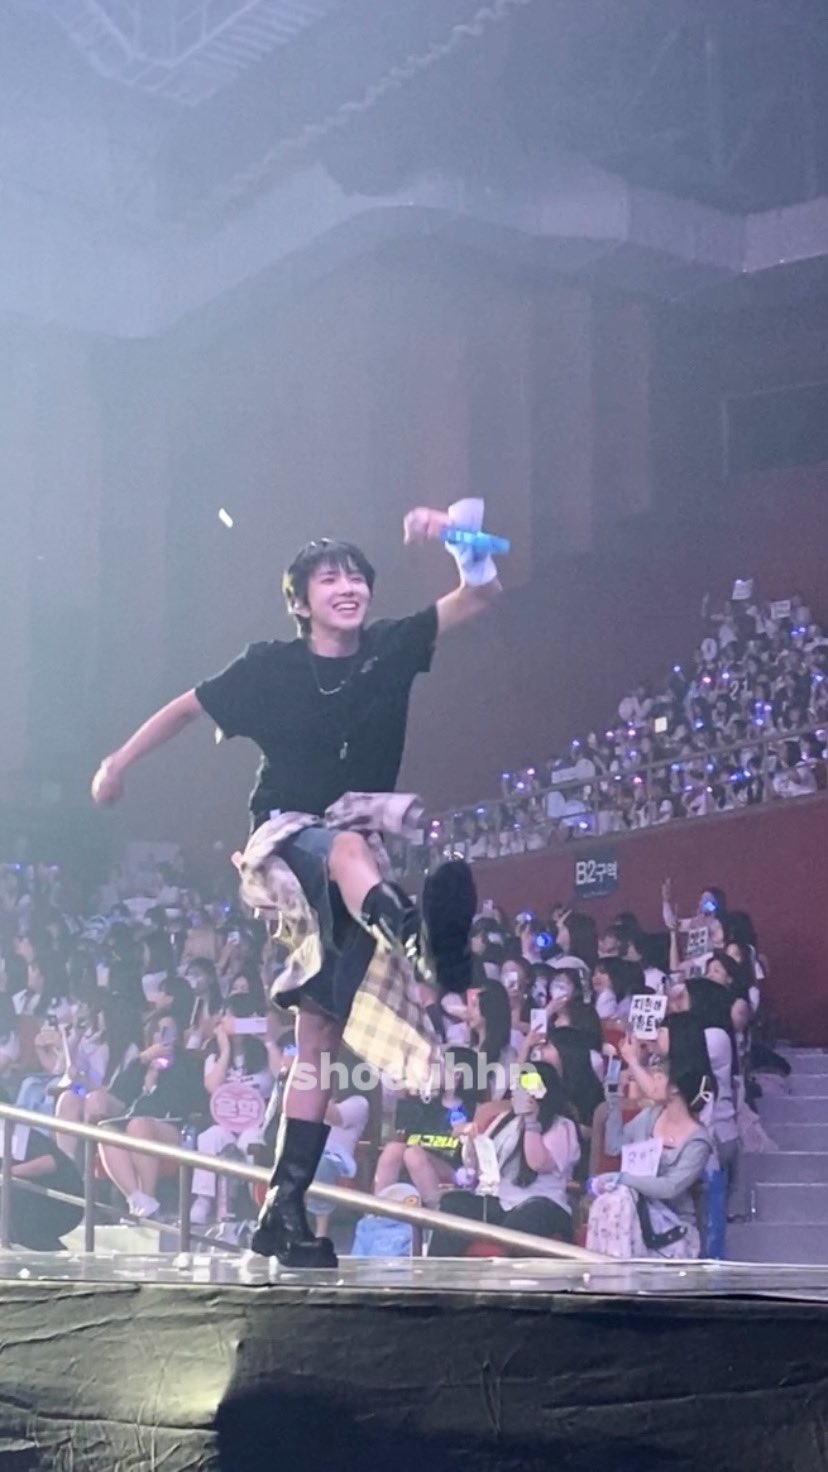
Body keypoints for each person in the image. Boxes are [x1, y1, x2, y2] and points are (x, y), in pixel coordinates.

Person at [92, 501, 503, 1266]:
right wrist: (117, 764)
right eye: (330, 579)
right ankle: (415, 938)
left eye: (356, 577)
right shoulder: (270, 666)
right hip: (286, 842)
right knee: (344, 848)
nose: (348, 588)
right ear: (301, 600)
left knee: (318, 1037)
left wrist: (458, 536)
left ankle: (281, 1212)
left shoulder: (390, 647)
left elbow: (478, 595)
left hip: (358, 857)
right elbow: (186, 709)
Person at [427, 1061, 581, 1256]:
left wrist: (531, 1122)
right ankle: (438, 1271)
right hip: (501, 1200)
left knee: (524, 1218)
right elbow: (479, 1166)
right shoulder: (504, 1119)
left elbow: (538, 1163)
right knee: (454, 1204)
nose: (515, 1091)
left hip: (543, 1204)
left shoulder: (562, 1126)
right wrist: (471, 1142)